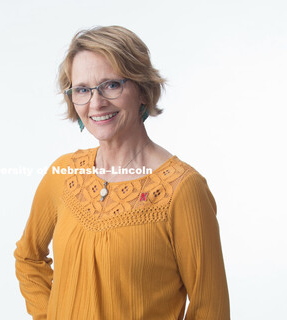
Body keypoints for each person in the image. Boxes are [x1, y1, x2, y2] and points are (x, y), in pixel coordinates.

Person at [13, 25, 230, 320]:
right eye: (82, 89)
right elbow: (28, 257)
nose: (96, 102)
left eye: (112, 85)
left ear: (142, 89)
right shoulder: (63, 174)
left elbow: (210, 309)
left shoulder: (183, 189)